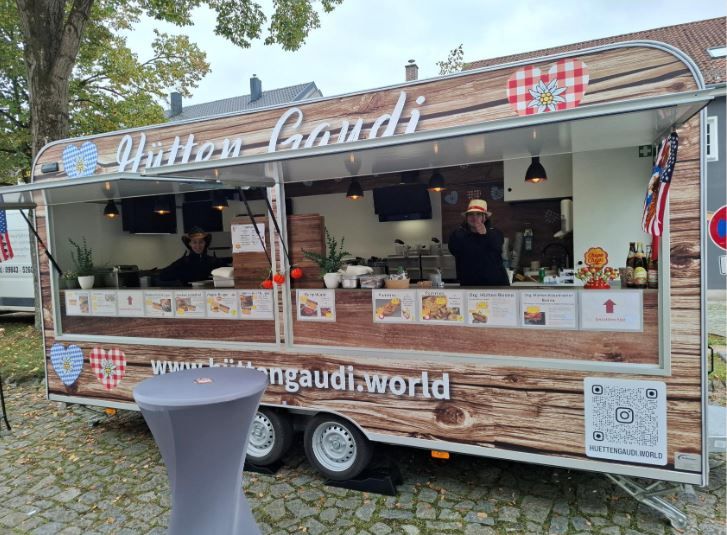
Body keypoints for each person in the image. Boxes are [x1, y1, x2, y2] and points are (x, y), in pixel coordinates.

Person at [448, 199, 509, 286]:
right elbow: (454, 250)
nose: (474, 217)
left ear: (485, 217)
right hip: (469, 287)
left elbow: (496, 247)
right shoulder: (458, 234)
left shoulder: (495, 233)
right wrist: (469, 235)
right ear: (466, 217)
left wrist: (485, 235)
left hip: (496, 286)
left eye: (478, 214)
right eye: (471, 214)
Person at [158, 227, 225, 285]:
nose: (198, 246)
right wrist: (180, 274)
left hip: (212, 295)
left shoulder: (215, 262)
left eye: (201, 242)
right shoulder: (182, 262)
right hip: (187, 295)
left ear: (205, 243)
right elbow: (162, 276)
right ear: (189, 244)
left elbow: (229, 275)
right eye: (194, 242)